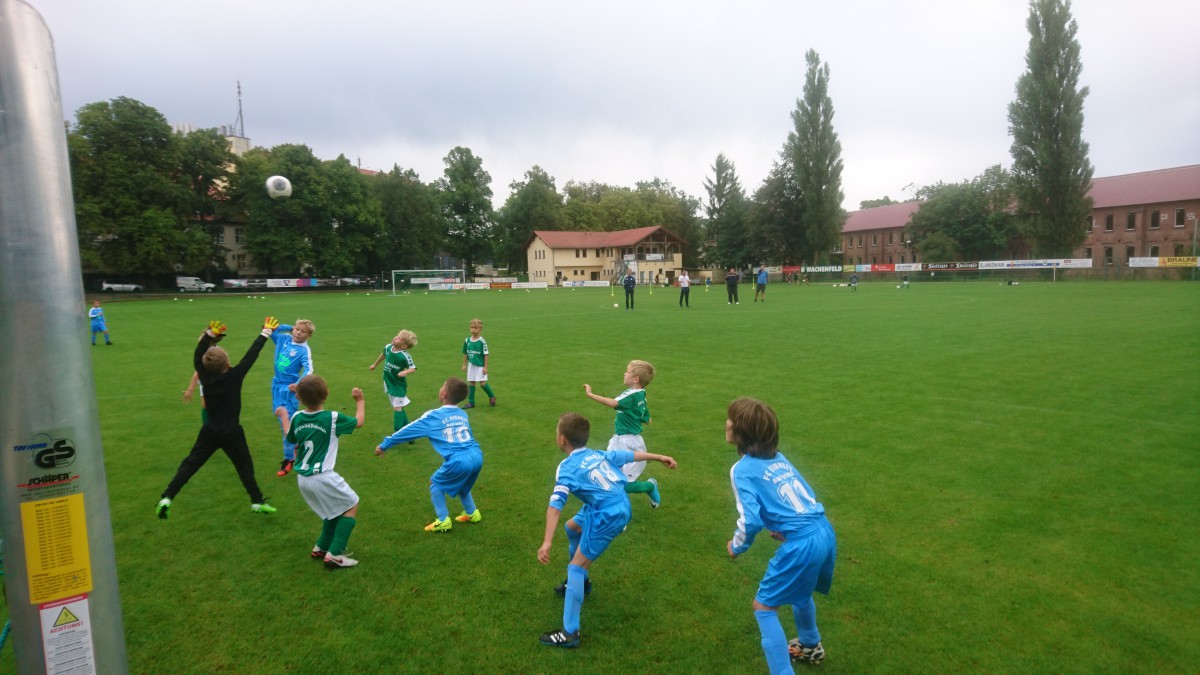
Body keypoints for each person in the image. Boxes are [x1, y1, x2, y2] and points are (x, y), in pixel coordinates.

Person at [536, 412, 677, 648]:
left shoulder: (566, 467)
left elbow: (555, 505)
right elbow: (629, 455)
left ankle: (570, 633)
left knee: (576, 567)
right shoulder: (596, 453)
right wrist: (658, 456)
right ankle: (581, 583)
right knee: (572, 528)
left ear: (562, 440)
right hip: (607, 501)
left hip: (607, 513)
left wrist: (547, 541)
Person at [725, 397, 837, 670]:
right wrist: (785, 527)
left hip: (802, 543)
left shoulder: (741, 470)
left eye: (731, 420)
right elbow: (804, 495)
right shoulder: (779, 458)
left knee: (763, 607)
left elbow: (750, 521)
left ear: (742, 431)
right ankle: (810, 645)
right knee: (801, 592)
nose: (726, 423)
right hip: (823, 529)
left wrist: (737, 546)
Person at [156, 319, 279, 519]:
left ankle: (167, 496)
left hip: (210, 430)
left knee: (190, 464)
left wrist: (209, 335)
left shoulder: (205, 376)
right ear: (228, 363)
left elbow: (198, 353)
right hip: (231, 431)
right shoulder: (235, 375)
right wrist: (265, 332)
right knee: (244, 466)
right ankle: (257, 501)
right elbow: (251, 355)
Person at [376, 377, 484, 533]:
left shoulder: (433, 416)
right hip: (476, 455)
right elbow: (470, 435)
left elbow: (408, 430)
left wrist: (385, 444)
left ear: (444, 394)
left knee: (436, 485)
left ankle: (443, 520)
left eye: (442, 386)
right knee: (463, 486)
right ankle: (472, 513)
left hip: (459, 460)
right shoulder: (462, 414)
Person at [286, 375, 366, 569]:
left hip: (303, 478)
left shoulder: (296, 417)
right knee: (351, 504)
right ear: (326, 394)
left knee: (333, 511)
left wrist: (283, 417)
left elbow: (291, 439)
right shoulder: (331, 418)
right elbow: (359, 422)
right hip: (322, 476)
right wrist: (360, 400)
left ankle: (321, 546)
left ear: (299, 398)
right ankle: (335, 554)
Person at [583, 360, 660, 507]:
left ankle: (650, 487)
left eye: (627, 371)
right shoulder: (639, 394)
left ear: (635, 379)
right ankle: (612, 510)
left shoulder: (632, 395)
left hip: (630, 444)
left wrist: (590, 394)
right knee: (608, 475)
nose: (624, 374)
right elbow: (646, 419)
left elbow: (613, 403)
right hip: (619, 440)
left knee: (625, 484)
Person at [270, 318, 315, 477]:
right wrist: (288, 327)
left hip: (289, 390)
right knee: (280, 418)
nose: (298, 333)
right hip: (276, 386)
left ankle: (289, 458)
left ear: (308, 336)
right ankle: (296, 444)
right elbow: (271, 330)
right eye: (296, 329)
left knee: (285, 423)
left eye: (303, 331)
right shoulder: (285, 339)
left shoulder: (304, 350)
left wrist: (298, 384)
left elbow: (309, 370)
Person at [369, 329, 417, 430]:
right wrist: (375, 364)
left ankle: (397, 434)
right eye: (397, 336)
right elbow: (383, 354)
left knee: (397, 407)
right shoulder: (388, 347)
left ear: (404, 346)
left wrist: (405, 372)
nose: (395, 338)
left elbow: (413, 368)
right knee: (399, 406)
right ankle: (410, 433)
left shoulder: (404, 356)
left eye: (399, 338)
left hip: (398, 385)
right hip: (387, 381)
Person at [461, 318, 496, 408]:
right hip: (471, 365)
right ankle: (471, 402)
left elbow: (486, 354)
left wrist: (485, 367)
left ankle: (492, 396)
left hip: (480, 365)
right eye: (472, 327)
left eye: (475, 327)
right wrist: (464, 364)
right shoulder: (467, 340)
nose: (473, 329)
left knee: (483, 384)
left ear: (480, 329)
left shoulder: (482, 341)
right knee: (471, 383)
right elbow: (465, 352)